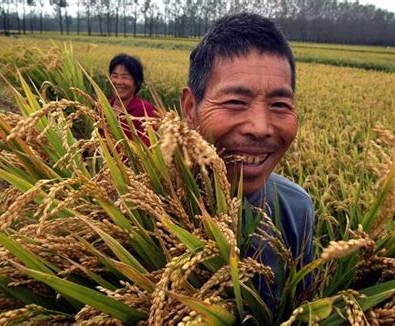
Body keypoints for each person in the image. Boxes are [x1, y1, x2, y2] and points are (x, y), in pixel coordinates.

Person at [180, 13, 314, 315]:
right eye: (235, 102)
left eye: (280, 105)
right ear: (190, 108)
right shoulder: (134, 210)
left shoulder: (296, 209)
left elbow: (303, 308)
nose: (260, 127)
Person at [108, 54, 156, 145]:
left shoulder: (145, 110)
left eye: (125, 77)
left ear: (137, 82)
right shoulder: (104, 106)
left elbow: (147, 147)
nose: (118, 82)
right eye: (115, 76)